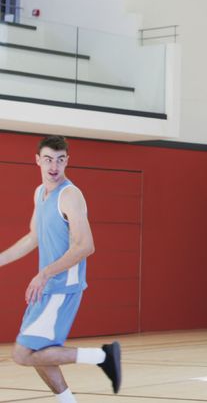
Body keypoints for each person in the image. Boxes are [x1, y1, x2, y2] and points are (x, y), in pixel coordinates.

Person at [0, 135, 121, 402]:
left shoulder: (70, 195)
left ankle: (103, 356)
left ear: (67, 160)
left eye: (60, 160)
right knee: (38, 355)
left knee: (22, 354)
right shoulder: (40, 193)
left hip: (61, 287)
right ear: (37, 161)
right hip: (47, 288)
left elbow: (86, 246)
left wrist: (44, 273)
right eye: (48, 160)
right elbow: (33, 237)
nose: (54, 166)